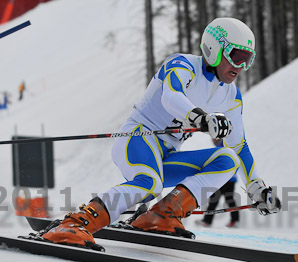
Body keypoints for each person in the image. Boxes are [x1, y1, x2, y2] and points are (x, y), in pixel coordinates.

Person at [39, 17, 281, 249]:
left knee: (227, 159)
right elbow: (171, 96)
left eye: (247, 60)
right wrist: (201, 118)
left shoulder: (231, 96)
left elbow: (239, 145)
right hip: (137, 138)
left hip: (165, 156)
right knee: (150, 184)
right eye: (237, 56)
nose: (241, 66)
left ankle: (161, 215)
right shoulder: (183, 65)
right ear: (214, 49)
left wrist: (256, 187)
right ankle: (74, 223)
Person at [195, 140, 240, 228]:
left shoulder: (222, 147)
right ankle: (235, 220)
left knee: (215, 199)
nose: (213, 140)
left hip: (223, 178)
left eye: (214, 138)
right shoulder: (226, 145)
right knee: (229, 199)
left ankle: (207, 221)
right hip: (231, 178)